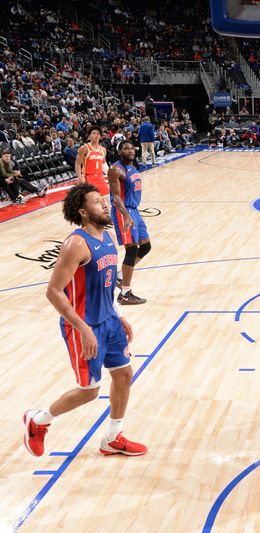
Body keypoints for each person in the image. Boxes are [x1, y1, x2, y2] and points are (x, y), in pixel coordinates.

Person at [23, 183, 147, 457]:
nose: (104, 204)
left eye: (103, 200)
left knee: (124, 375)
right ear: (82, 212)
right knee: (89, 391)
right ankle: (39, 420)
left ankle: (113, 437)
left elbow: (107, 286)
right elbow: (53, 292)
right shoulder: (76, 244)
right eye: (96, 202)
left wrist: (120, 315)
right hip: (83, 326)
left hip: (109, 322)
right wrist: (84, 329)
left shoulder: (108, 239)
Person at [108, 141, 150, 304]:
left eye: (132, 148)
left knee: (145, 247)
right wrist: (126, 215)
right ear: (119, 152)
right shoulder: (116, 170)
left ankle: (120, 275)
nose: (130, 151)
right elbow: (116, 197)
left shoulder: (134, 166)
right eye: (125, 148)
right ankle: (125, 292)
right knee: (131, 251)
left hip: (134, 211)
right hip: (122, 212)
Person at [75, 127, 108, 194]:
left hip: (100, 177)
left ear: (100, 136)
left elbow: (104, 164)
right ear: (89, 136)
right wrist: (80, 177)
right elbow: (77, 164)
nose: (96, 135)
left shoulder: (103, 150)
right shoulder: (84, 148)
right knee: (92, 201)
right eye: (94, 133)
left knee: (106, 200)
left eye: (98, 133)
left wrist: (110, 175)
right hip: (88, 178)